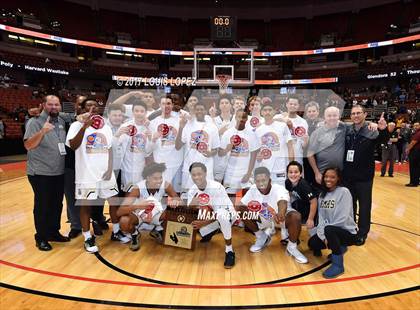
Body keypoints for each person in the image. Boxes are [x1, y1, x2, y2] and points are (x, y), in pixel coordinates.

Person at [66, 98, 129, 253]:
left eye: (95, 105)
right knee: (86, 207)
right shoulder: (76, 125)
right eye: (88, 105)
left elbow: (109, 148)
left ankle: (116, 232)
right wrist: (84, 126)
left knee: (113, 202)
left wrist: (109, 169)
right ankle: (87, 237)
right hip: (87, 174)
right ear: (82, 108)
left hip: (105, 173)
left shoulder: (105, 126)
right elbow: (73, 145)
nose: (93, 108)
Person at [24, 95, 70, 251]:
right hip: (40, 172)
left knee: (56, 204)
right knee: (43, 205)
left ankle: (53, 232)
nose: (54, 107)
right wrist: (42, 132)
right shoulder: (34, 122)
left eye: (57, 104)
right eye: (50, 104)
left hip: (58, 171)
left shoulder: (61, 121)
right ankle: (41, 237)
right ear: (43, 105)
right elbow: (29, 145)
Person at [239, 167, 308, 263]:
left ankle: (292, 247)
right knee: (241, 210)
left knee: (295, 216)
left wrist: (280, 213)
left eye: (264, 180)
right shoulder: (253, 189)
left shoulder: (279, 188)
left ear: (270, 180)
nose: (261, 183)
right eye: (258, 181)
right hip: (265, 218)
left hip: (281, 218)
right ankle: (261, 237)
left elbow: (282, 202)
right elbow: (242, 205)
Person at [343, 106, 387, 245]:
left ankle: (362, 233)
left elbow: (383, 140)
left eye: (358, 113)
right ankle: (351, 229)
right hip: (348, 176)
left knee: (364, 206)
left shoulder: (372, 130)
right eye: (353, 113)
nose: (356, 115)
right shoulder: (347, 130)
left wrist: (382, 129)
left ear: (365, 114)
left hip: (364, 177)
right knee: (349, 205)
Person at [116, 163, 182, 251]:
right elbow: (119, 211)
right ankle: (135, 234)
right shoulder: (137, 188)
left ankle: (158, 229)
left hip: (157, 214)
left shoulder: (166, 185)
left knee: (175, 210)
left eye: (160, 178)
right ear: (147, 178)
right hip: (139, 215)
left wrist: (175, 201)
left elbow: (179, 200)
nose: (159, 181)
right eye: (155, 178)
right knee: (124, 221)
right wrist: (138, 206)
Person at [308, 167, 358, 279]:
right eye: (326, 176)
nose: (328, 179)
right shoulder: (322, 195)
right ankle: (339, 247)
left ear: (338, 178)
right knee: (312, 243)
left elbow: (343, 218)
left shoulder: (344, 192)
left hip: (346, 232)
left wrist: (327, 233)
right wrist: (322, 235)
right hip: (329, 232)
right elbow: (321, 219)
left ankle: (338, 265)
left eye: (332, 177)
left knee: (330, 230)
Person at [187, 162, 236, 268]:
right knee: (201, 228)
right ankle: (211, 230)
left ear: (205, 173)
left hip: (228, 215)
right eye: (193, 175)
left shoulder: (217, 187)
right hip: (211, 216)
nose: (196, 177)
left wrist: (203, 223)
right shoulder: (192, 191)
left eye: (199, 174)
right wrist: (192, 204)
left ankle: (229, 251)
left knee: (221, 216)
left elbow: (220, 213)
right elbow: (190, 211)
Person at [175, 102, 220, 193]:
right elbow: (178, 146)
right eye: (197, 109)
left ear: (205, 111)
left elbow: (216, 149)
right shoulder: (188, 125)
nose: (199, 111)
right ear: (194, 111)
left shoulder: (212, 127)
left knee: (207, 195)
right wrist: (181, 127)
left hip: (206, 168)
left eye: (201, 109)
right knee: (187, 196)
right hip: (189, 168)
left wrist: (209, 153)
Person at [219, 109, 259, 196]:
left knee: (246, 201)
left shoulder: (252, 134)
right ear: (235, 117)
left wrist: (248, 174)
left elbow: (253, 156)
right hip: (230, 174)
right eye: (239, 117)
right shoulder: (227, 133)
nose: (241, 119)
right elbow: (220, 153)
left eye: (244, 117)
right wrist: (227, 149)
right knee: (230, 200)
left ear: (247, 119)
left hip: (245, 173)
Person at [149, 96, 184, 193]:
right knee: (161, 194)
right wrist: (153, 139)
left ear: (172, 105)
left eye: (168, 103)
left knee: (175, 194)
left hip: (177, 163)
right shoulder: (153, 122)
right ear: (159, 105)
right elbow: (149, 147)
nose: (166, 106)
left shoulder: (178, 120)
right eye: (163, 103)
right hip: (160, 163)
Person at [118, 101, 154, 193]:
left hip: (141, 167)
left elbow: (148, 151)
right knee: (128, 193)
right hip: (127, 166)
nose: (139, 113)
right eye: (136, 111)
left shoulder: (150, 127)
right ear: (133, 112)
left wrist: (150, 138)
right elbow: (118, 145)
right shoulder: (126, 126)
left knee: (140, 193)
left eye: (142, 111)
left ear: (146, 112)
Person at [255, 101, 294, 186]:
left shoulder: (282, 126)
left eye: (270, 110)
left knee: (282, 193)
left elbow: (290, 146)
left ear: (274, 112)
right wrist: (258, 157)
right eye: (265, 110)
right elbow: (257, 150)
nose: (267, 112)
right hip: (265, 167)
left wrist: (291, 165)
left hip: (280, 167)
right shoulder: (258, 130)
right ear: (261, 112)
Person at [307, 107, 347, 185]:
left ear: (339, 117)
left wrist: (370, 123)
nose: (332, 118)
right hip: (323, 174)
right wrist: (317, 173)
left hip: (339, 174)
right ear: (324, 117)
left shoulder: (343, 128)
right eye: (329, 116)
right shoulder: (317, 133)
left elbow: (358, 124)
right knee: (323, 197)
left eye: (335, 115)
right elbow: (310, 154)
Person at [285, 96, 308, 166]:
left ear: (298, 106)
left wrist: (306, 141)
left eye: (295, 104)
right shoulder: (280, 118)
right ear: (286, 104)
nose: (292, 106)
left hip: (297, 156)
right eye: (291, 104)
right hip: (283, 157)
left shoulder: (303, 122)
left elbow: (304, 144)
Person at [405, 122, 420, 187]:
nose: (415, 127)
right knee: (417, 167)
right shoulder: (416, 133)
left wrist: (407, 149)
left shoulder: (418, 133)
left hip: (415, 151)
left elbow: (413, 143)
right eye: (414, 126)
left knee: (413, 167)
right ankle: (416, 181)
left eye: (417, 125)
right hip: (417, 152)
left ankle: (413, 182)